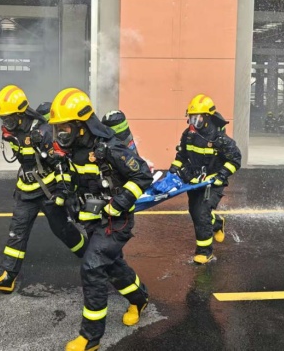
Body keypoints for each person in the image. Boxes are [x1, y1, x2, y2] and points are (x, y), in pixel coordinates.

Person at [48, 88, 153, 351]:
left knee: (92, 267)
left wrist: (119, 203)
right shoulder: (74, 149)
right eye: (58, 128)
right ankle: (140, 299)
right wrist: (63, 194)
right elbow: (72, 177)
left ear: (81, 126)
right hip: (93, 220)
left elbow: (143, 175)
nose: (61, 134)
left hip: (116, 222)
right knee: (113, 266)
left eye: (65, 128)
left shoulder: (110, 148)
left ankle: (90, 338)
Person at [0, 85, 88, 293]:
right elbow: (24, 161)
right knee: (17, 231)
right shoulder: (12, 133)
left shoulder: (43, 132)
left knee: (62, 230)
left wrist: (62, 192)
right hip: (26, 190)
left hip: (48, 190)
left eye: (8, 118)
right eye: (2, 118)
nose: (5, 123)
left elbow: (61, 163)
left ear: (20, 114)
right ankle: (8, 277)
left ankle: (90, 258)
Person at [169, 94, 242, 265]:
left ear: (207, 118)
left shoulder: (220, 139)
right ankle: (217, 223)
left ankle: (204, 253)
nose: (193, 123)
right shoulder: (188, 135)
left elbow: (235, 160)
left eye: (197, 118)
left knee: (202, 213)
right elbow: (182, 155)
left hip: (212, 182)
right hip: (194, 180)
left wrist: (221, 176)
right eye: (191, 118)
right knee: (195, 212)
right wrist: (173, 169)